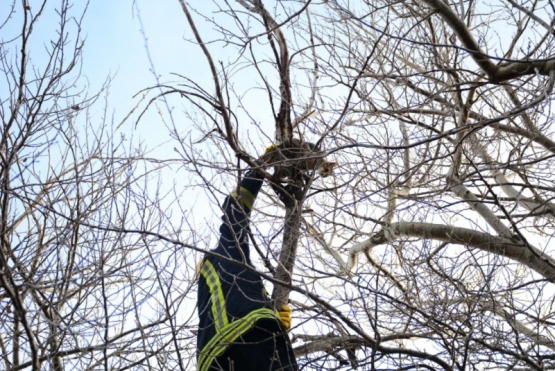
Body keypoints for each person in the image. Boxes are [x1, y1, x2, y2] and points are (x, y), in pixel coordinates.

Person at [196, 164, 299, 371]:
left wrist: (277, 322)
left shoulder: (214, 297)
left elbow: (241, 300)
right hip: (243, 338)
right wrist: (261, 166)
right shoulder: (226, 255)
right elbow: (234, 211)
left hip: (213, 361)